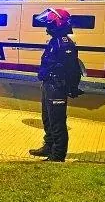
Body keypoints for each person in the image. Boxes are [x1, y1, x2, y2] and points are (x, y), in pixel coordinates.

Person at [29, 8, 83, 162]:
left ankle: (57, 155)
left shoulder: (65, 44)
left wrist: (71, 88)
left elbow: (72, 69)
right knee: (48, 119)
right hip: (49, 85)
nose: (48, 26)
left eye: (50, 23)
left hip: (57, 87)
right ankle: (48, 146)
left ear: (58, 23)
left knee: (57, 122)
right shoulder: (55, 41)